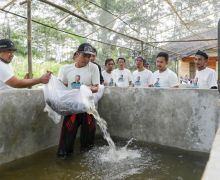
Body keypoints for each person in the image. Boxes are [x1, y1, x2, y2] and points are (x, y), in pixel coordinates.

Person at [57, 43, 100, 158]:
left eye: (89, 56)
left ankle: (86, 160)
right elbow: (61, 87)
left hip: (88, 108)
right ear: (77, 54)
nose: (87, 59)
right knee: (66, 140)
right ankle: (65, 159)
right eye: (84, 55)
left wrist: (85, 88)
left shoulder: (93, 67)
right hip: (72, 108)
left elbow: (96, 88)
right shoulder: (66, 69)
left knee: (88, 143)